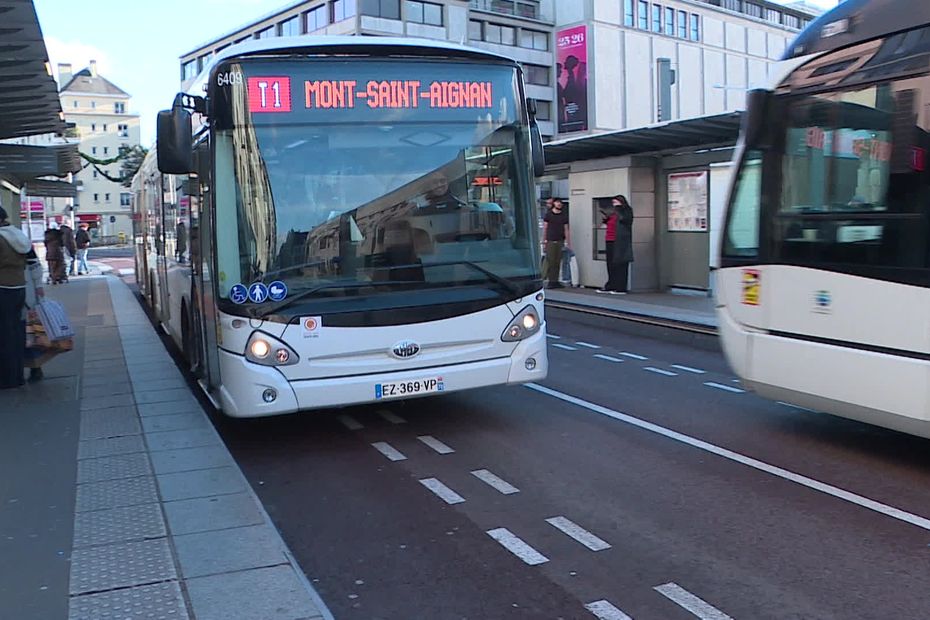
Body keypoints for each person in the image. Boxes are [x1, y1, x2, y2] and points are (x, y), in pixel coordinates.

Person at [0, 206, 38, 388]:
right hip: (19, 288)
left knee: (4, 335)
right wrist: (38, 287)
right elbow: (33, 262)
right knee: (16, 332)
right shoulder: (18, 235)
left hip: (2, 289)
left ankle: (7, 379)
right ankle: (17, 375)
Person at [599, 195, 634, 294]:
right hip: (609, 240)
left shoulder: (626, 210)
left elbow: (625, 220)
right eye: (613, 203)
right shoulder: (613, 213)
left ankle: (621, 287)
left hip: (620, 241)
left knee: (620, 263)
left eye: (616, 203)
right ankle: (611, 284)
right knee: (610, 264)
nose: (614, 205)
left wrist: (618, 209)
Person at [542, 198, 570, 289]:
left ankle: (555, 281)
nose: (559, 204)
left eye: (560, 203)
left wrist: (568, 242)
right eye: (557, 202)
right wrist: (544, 240)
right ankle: (551, 281)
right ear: (554, 203)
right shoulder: (549, 215)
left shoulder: (563, 215)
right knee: (551, 261)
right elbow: (545, 228)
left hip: (560, 240)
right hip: (550, 240)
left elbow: (566, 229)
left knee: (558, 261)